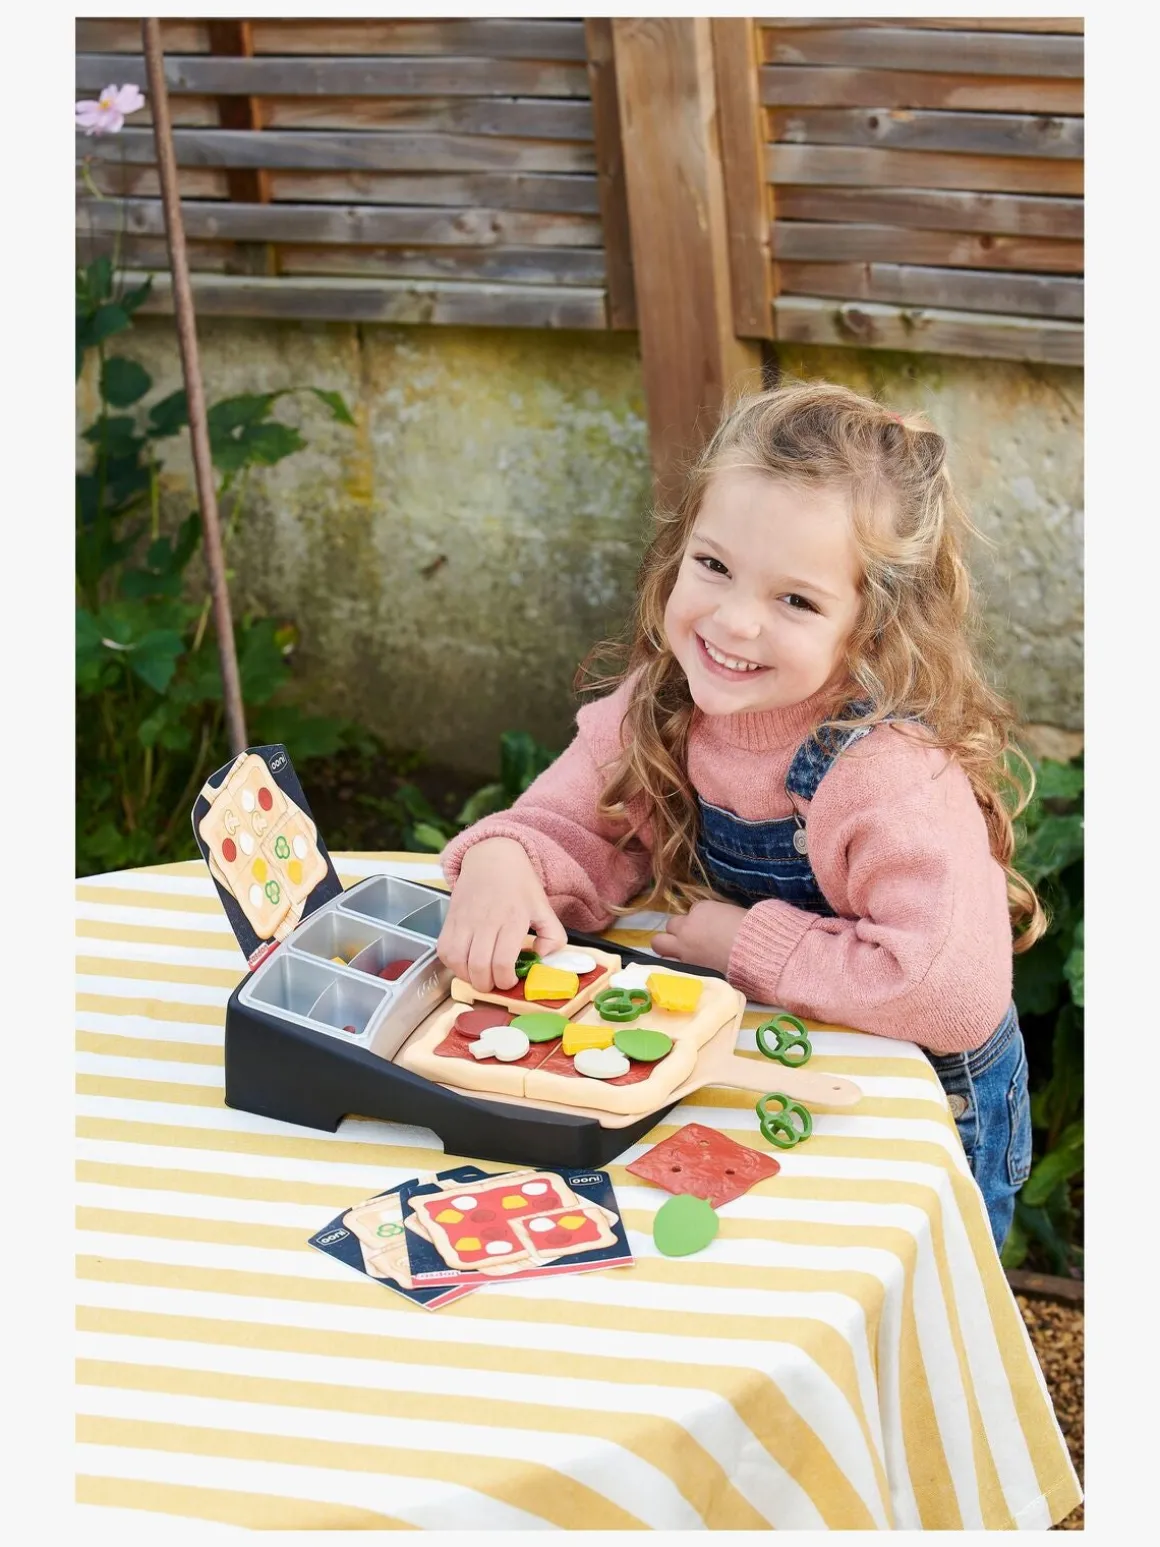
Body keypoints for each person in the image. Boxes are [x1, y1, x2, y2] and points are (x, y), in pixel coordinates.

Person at [437, 380, 1040, 1250]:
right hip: (779, 1063)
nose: (733, 622)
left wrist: (747, 943)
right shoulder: (664, 701)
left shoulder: (886, 772)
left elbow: (948, 992)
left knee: (881, 1283)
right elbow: (571, 824)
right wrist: (506, 860)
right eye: (714, 566)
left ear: (872, 628)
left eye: (796, 600)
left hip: (922, 1104)